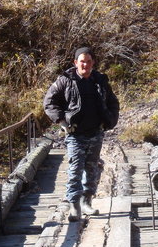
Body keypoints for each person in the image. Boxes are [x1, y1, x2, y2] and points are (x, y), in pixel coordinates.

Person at [43, 47, 119, 221]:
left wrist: (109, 120)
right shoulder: (65, 80)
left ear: (93, 63)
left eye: (88, 61)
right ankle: (74, 205)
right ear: (75, 62)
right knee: (75, 168)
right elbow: (49, 102)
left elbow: (113, 102)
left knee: (91, 168)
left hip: (96, 132)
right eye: (82, 61)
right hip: (75, 133)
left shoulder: (100, 80)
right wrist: (62, 122)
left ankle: (87, 202)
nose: (85, 64)